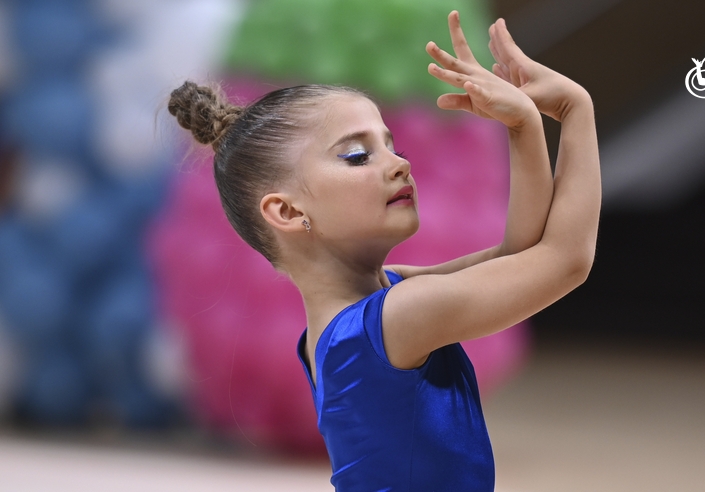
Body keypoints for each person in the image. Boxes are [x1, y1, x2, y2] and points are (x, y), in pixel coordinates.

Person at [168, 10, 599, 491]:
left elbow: (520, 255)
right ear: (287, 213)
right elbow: (565, 260)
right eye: (357, 155)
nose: (399, 164)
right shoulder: (395, 318)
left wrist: (523, 128)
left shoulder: (382, 301)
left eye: (391, 145)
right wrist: (576, 110)